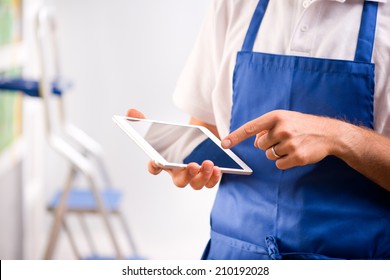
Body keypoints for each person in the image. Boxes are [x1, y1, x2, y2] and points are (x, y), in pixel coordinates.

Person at [127, 0, 390, 259]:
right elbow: (206, 123)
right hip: (233, 257)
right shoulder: (234, 5)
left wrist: (338, 135)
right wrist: (185, 160)